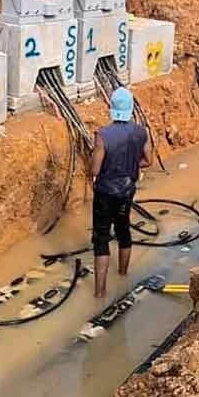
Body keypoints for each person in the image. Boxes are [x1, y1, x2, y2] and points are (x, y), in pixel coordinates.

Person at [90, 87, 152, 298]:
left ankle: (100, 293)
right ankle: (123, 274)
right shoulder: (141, 132)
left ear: (112, 108)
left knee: (101, 239)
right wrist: (130, 168)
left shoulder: (102, 136)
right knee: (123, 230)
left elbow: (95, 170)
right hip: (127, 191)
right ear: (131, 109)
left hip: (105, 192)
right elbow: (148, 160)